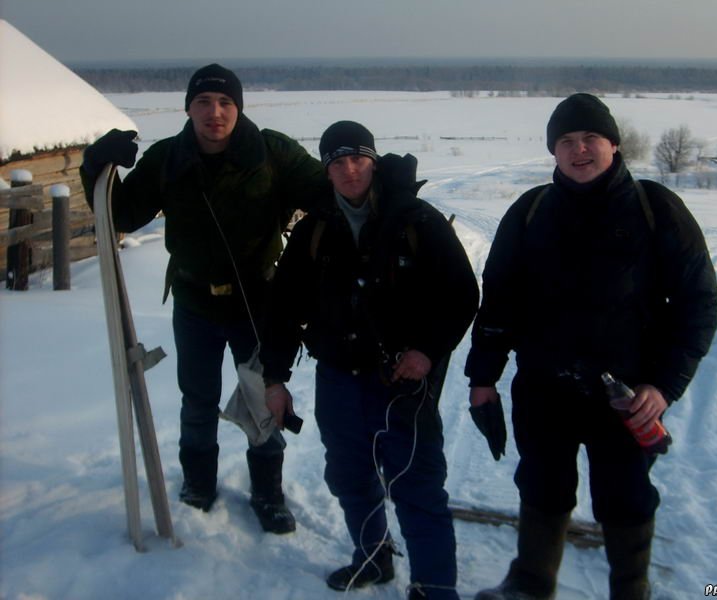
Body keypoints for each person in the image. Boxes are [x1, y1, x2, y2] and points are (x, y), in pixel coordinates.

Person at [465, 93, 717, 600]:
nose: (579, 150)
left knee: (625, 496)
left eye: (590, 139)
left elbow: (699, 304)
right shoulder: (530, 211)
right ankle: (531, 583)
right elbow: (498, 303)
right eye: (566, 141)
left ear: (614, 144)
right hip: (544, 388)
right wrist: (482, 379)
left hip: (624, 395)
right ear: (553, 151)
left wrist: (664, 385)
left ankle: (632, 589)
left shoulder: (656, 209)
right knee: (540, 484)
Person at [80, 63, 328, 534]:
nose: (215, 112)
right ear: (188, 108)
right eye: (203, 103)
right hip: (194, 302)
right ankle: (198, 483)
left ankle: (268, 492)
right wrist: (95, 169)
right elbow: (120, 215)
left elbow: (328, 194)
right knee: (197, 399)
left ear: (238, 107)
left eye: (225, 103)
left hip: (258, 302)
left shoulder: (272, 152)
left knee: (262, 397)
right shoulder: (169, 158)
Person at [259, 121, 479, 599]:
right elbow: (281, 309)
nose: (349, 170)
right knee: (349, 476)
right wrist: (274, 377)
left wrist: (426, 350)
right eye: (337, 162)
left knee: (416, 486)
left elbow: (462, 295)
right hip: (338, 379)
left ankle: (434, 588)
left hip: (401, 380)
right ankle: (373, 558)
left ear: (373, 162)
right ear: (327, 170)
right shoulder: (314, 229)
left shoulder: (415, 220)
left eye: (357, 159)